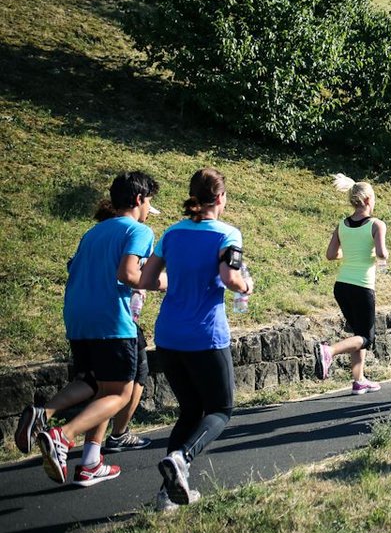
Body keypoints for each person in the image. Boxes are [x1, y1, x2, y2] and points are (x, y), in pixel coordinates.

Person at [29, 172, 162, 487]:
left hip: (77, 319)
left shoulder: (93, 233)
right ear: (140, 200)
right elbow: (130, 274)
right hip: (111, 320)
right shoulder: (139, 230)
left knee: (99, 389)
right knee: (120, 392)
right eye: (149, 202)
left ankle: (90, 462)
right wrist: (163, 283)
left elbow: (73, 268)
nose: (148, 209)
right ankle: (63, 435)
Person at [137, 168, 252, 510]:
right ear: (220, 198)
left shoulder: (171, 234)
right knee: (221, 409)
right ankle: (183, 458)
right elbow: (230, 279)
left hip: (169, 335)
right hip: (205, 335)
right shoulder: (228, 233)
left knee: (190, 410)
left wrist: (183, 280)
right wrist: (246, 285)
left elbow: (145, 279)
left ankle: (166, 496)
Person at [315, 175, 390, 395]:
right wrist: (383, 255)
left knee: (358, 333)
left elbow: (330, 255)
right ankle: (329, 351)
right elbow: (381, 253)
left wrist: (349, 254)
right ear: (367, 200)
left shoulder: (341, 225)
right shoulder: (377, 225)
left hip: (342, 286)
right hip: (362, 286)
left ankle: (359, 380)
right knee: (366, 338)